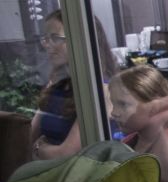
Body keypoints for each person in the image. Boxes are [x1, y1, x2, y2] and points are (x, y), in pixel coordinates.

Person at [30, 10, 118, 161]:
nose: (47, 45)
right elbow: (29, 135)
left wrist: (38, 148)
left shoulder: (100, 90)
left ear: (80, 40)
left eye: (55, 38)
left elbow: (65, 154)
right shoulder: (57, 84)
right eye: (46, 38)